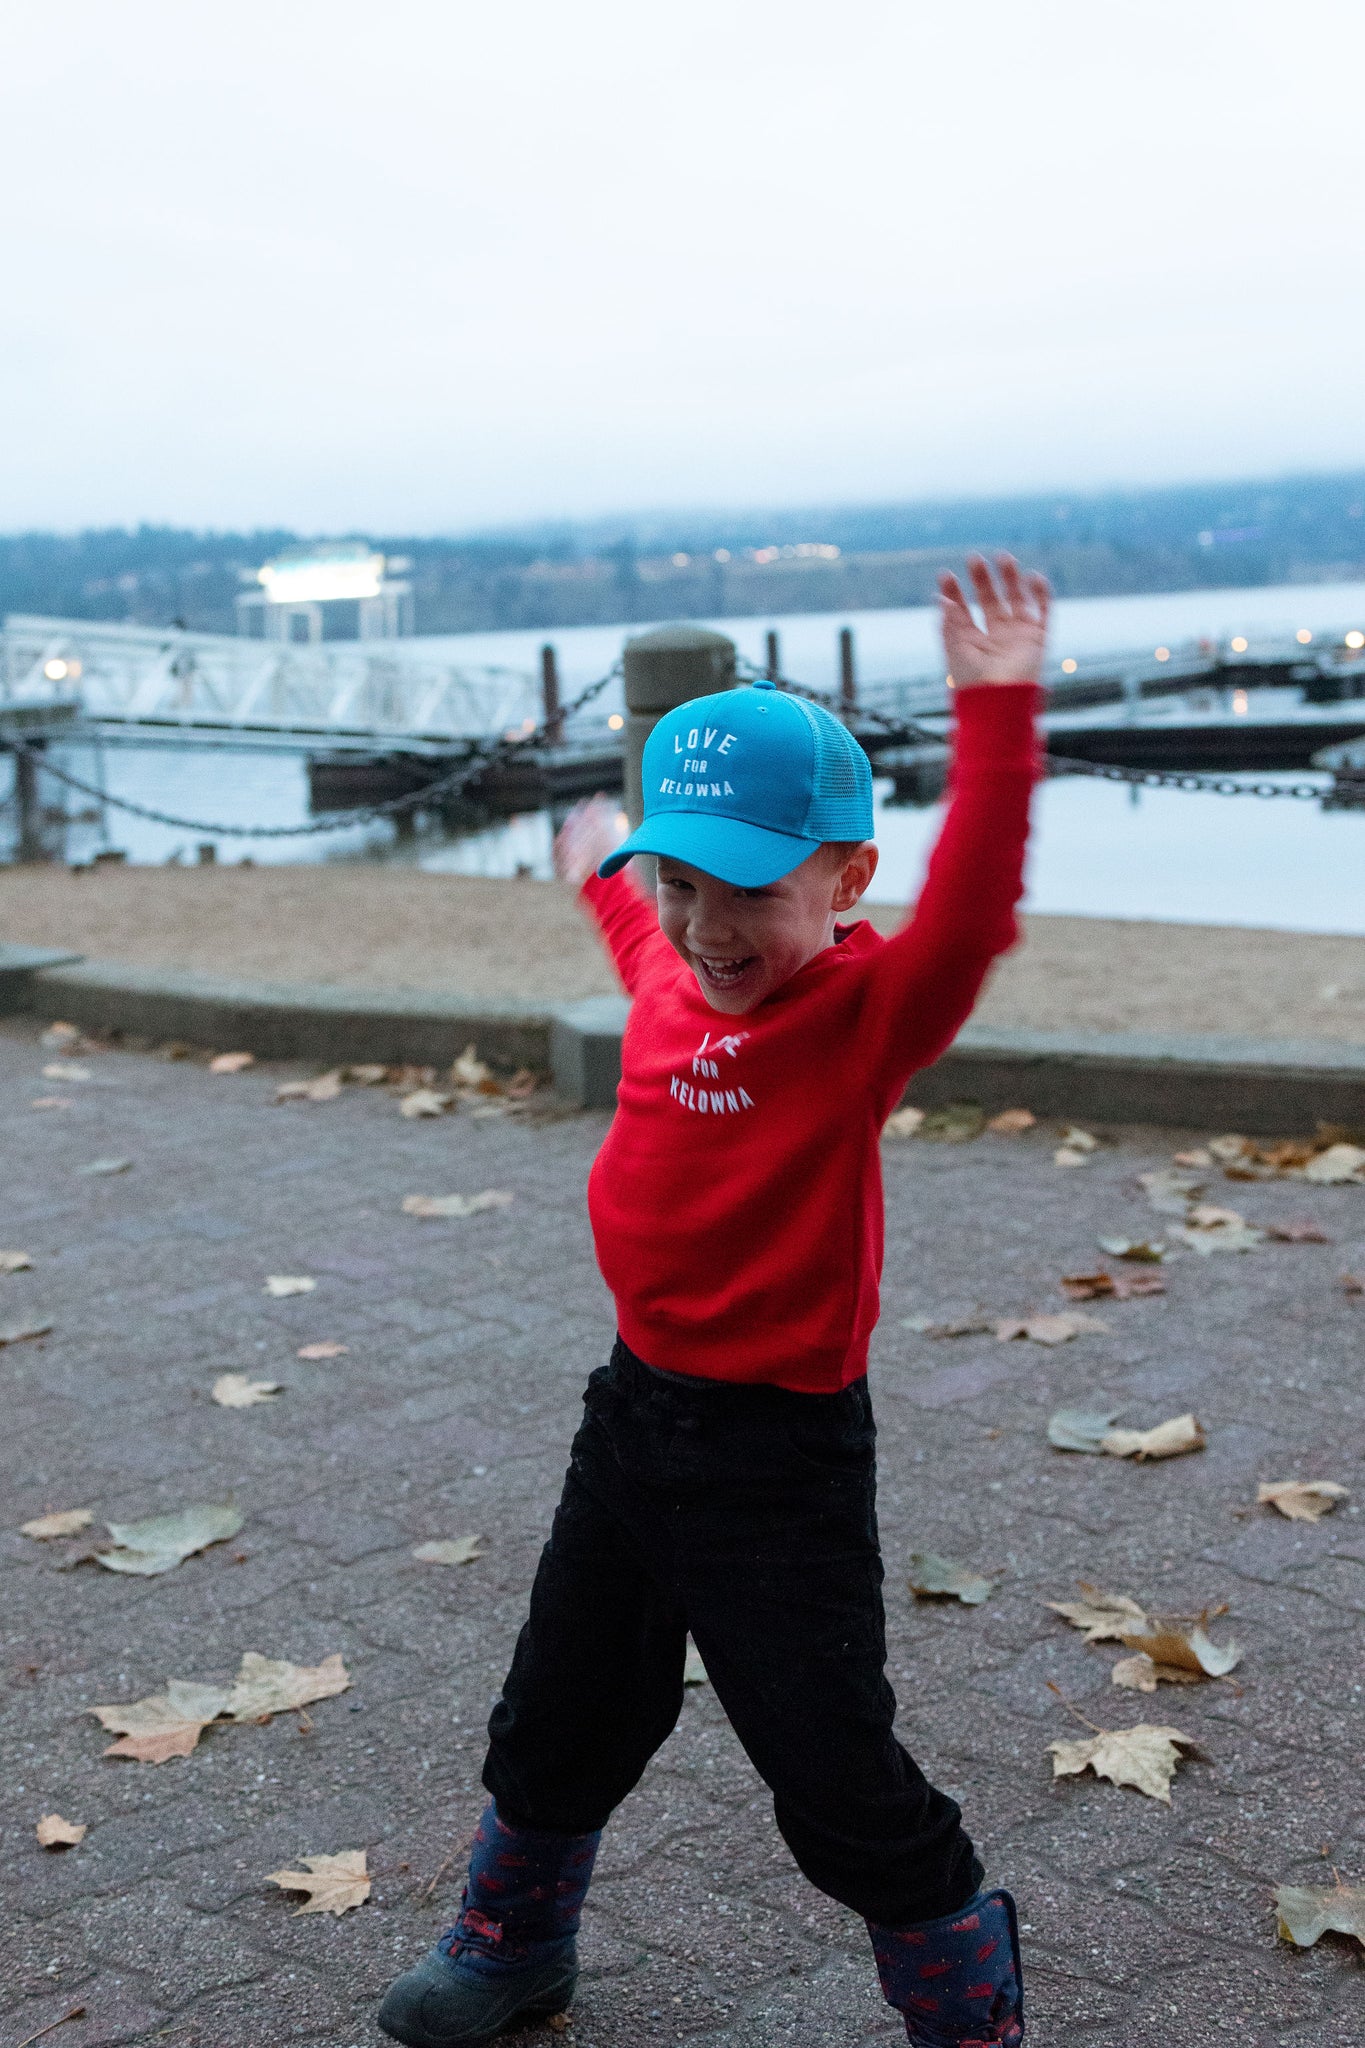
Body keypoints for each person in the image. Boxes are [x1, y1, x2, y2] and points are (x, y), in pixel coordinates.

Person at [379, 554, 1049, 2048]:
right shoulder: (669, 962)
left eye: (746, 890)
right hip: (632, 1420)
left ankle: (961, 1994)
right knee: (562, 1704)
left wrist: (995, 712)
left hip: (776, 1459)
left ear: (845, 878)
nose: (705, 927)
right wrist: (597, 849)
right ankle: (514, 1940)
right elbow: (626, 919)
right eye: (682, 884)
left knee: (826, 1763)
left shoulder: (861, 1016)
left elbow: (978, 911)